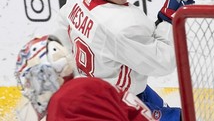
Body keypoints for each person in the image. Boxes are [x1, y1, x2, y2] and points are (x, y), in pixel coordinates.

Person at [53, 0, 195, 120]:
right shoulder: (122, 25)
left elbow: (61, 30)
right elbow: (164, 61)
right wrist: (169, 18)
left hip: (102, 89)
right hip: (118, 104)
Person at [15, 35, 156, 121]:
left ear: (47, 73)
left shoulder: (69, 97)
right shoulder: (84, 88)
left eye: (31, 79)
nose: (29, 89)